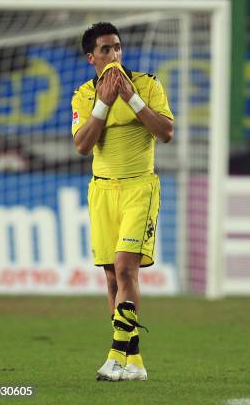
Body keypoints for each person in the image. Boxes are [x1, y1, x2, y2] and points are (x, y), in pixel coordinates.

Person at [71, 22, 174, 381]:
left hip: (139, 188)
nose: (113, 54)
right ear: (91, 58)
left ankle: (115, 356)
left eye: (117, 47)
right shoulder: (83, 95)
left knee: (127, 267)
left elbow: (166, 133)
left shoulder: (148, 84)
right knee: (112, 276)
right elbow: (83, 145)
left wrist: (132, 98)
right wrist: (103, 105)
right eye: (105, 50)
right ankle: (135, 362)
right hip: (102, 190)